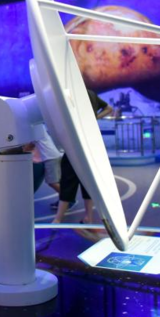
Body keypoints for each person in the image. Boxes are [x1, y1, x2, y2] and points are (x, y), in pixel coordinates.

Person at [53, 90, 112, 224]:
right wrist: (95, 117)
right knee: (88, 182)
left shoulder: (70, 93)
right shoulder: (90, 93)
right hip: (90, 142)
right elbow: (109, 108)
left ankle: (58, 219)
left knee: (68, 181)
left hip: (75, 142)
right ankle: (88, 217)